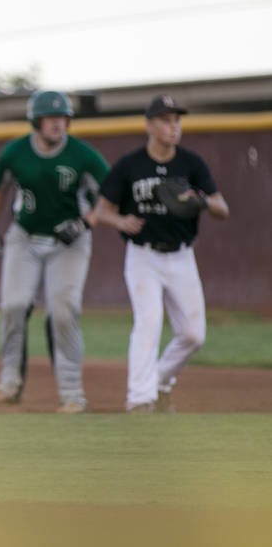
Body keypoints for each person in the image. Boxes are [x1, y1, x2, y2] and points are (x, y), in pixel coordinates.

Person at [93, 94, 229, 413]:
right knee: (149, 321)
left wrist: (202, 201)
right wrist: (121, 220)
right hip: (143, 257)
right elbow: (101, 211)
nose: (173, 127)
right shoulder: (131, 165)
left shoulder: (191, 164)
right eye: (166, 120)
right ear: (149, 125)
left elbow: (222, 208)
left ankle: (160, 381)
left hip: (182, 257)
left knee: (194, 335)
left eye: (176, 120)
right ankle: (140, 399)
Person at [0, 90, 109, 413]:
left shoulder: (83, 155)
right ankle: (9, 383)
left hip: (69, 242)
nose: (58, 124)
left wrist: (86, 222)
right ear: (36, 121)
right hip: (25, 237)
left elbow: (109, 196)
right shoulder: (15, 152)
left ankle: (72, 394)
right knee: (13, 305)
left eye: (62, 118)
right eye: (51, 119)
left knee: (63, 310)